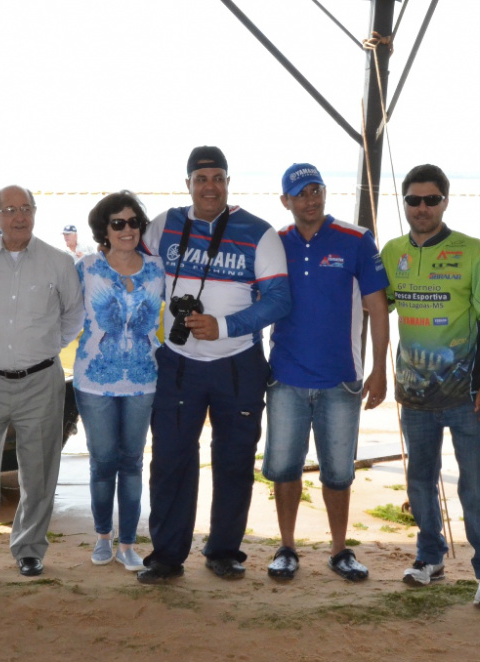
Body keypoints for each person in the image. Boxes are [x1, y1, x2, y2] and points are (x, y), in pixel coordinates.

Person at [136, 146, 291, 584]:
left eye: (218, 178)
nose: (210, 186)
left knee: (235, 460)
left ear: (228, 183)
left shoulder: (258, 232)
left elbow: (280, 300)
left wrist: (223, 325)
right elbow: (125, 256)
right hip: (178, 362)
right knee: (169, 458)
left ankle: (223, 550)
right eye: (201, 178)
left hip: (238, 363)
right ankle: (166, 555)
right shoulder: (164, 225)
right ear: (187, 184)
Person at [380, 164, 480, 608]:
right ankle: (429, 558)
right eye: (413, 200)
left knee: (474, 484)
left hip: (466, 396)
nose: (422, 208)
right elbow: (376, 309)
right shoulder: (392, 251)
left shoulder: (472, 251)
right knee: (419, 479)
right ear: (405, 203)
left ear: (445, 202)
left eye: (431, 199)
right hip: (413, 397)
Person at [0, 185, 83, 584]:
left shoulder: (59, 262)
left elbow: (73, 314)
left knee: (38, 470)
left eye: (26, 208)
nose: (18, 217)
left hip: (41, 381)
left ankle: (28, 549)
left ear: (35, 212)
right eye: (9, 210)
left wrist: (42, 350)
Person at [263, 163, 390, 582]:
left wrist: (379, 369)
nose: (311, 199)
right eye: (301, 193)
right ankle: (286, 547)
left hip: (341, 379)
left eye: (316, 190)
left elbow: (376, 307)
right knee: (284, 469)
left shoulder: (356, 239)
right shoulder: (273, 243)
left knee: (339, 472)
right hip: (284, 378)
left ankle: (339, 550)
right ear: (286, 201)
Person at [73, 191, 164, 572]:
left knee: (132, 463)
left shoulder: (159, 269)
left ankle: (127, 542)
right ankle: (102, 537)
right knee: (102, 461)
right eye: (117, 223)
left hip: (143, 379)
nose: (127, 230)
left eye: (133, 222)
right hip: (94, 379)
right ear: (104, 230)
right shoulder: (86, 267)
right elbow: (56, 306)